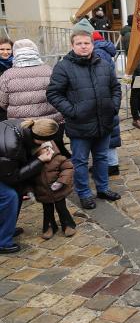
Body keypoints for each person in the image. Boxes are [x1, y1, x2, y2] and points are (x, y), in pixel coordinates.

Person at [46, 30, 121, 210]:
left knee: (102, 157)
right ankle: (84, 193)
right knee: (80, 161)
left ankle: (103, 188)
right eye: (79, 43)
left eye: (86, 43)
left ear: (92, 45)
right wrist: (72, 111)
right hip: (79, 125)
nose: (83, 46)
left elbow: (115, 87)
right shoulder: (63, 67)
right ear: (72, 46)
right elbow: (53, 93)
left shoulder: (103, 64)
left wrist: (113, 106)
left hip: (103, 121)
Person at [0, 118, 56, 253]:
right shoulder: (11, 147)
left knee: (17, 192)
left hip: (4, 166)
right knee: (10, 196)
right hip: (5, 170)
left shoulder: (25, 125)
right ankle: (2, 242)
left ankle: (6, 228)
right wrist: (40, 160)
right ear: (39, 139)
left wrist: (42, 147)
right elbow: (13, 177)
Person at [0, 39, 65, 155]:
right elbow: (58, 94)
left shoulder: (8, 75)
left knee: (29, 155)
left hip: (22, 125)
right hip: (49, 122)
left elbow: (3, 102)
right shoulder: (48, 70)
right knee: (53, 154)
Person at [31, 132, 77, 239]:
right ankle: (49, 226)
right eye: (44, 149)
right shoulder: (34, 164)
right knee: (47, 211)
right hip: (43, 192)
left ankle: (68, 224)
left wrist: (61, 181)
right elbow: (29, 179)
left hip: (58, 191)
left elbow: (68, 168)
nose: (48, 151)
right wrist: (29, 191)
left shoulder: (58, 158)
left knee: (62, 208)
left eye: (48, 148)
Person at [92, 31, 123, 175]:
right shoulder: (105, 50)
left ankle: (110, 164)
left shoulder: (97, 52)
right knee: (110, 132)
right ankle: (111, 163)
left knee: (107, 133)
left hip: (104, 99)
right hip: (107, 98)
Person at [0, 37, 13, 121]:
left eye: (8, 49)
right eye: (1, 49)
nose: (5, 52)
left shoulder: (16, 63)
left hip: (14, 106)